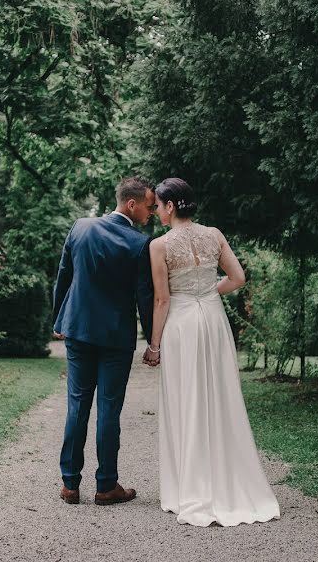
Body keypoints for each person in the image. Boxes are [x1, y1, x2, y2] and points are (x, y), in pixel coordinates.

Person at [143, 177, 281, 526]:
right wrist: (208, 294)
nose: (156, 211)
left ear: (170, 206)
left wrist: (154, 346)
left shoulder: (159, 245)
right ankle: (229, 481)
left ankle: (188, 487)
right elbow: (237, 278)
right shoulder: (214, 234)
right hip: (214, 321)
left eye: (158, 205)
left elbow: (162, 300)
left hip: (181, 325)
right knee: (220, 395)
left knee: (185, 398)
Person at [52, 176, 157, 506]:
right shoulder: (140, 244)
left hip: (79, 331)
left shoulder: (80, 227)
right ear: (132, 204)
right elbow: (144, 297)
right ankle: (106, 486)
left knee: (77, 405)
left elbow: (64, 275)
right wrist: (154, 341)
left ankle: (70, 485)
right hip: (115, 338)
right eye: (149, 205)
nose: (152, 211)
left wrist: (59, 319)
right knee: (109, 409)